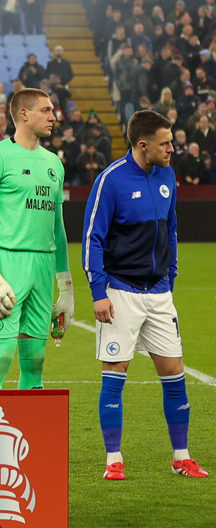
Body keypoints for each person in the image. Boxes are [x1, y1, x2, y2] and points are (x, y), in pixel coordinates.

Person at [84, 110, 204, 481]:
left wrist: (171, 274)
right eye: (165, 144)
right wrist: (99, 291)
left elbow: (171, 229)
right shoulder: (111, 181)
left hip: (159, 295)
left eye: (172, 142)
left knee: (174, 374)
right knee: (115, 374)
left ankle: (181, 457)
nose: (172, 149)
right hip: (120, 293)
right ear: (143, 145)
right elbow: (93, 238)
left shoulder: (168, 175)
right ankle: (113, 458)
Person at [0, 88, 73, 390]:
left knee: (35, 357)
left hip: (42, 264)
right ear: (23, 114)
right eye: (46, 110)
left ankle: (29, 434)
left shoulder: (54, 163)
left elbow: (58, 228)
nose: (53, 116)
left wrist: (65, 287)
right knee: (1, 356)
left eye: (52, 110)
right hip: (6, 264)